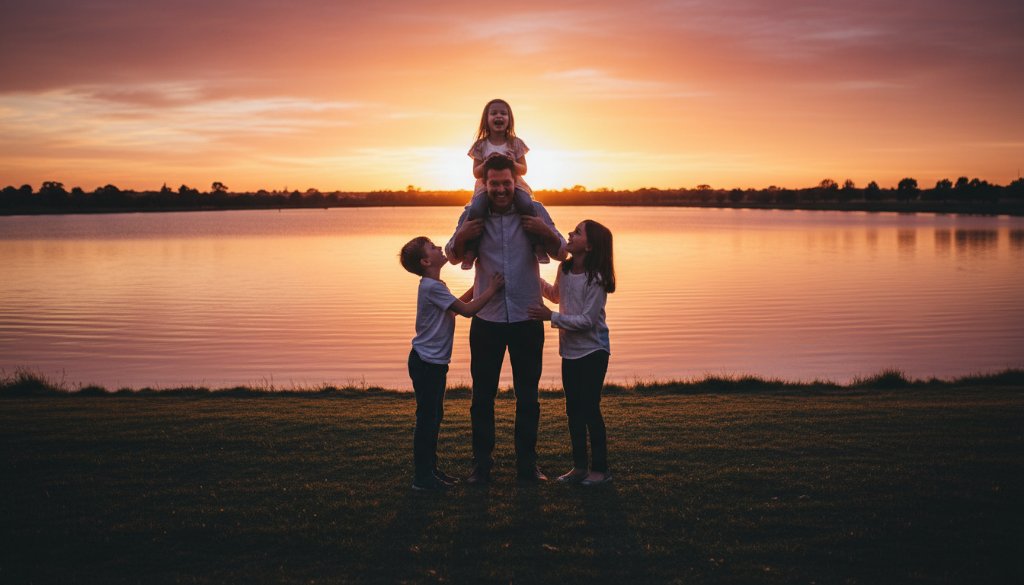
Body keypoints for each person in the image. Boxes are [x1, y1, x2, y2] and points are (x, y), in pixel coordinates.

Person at [446, 154, 566, 484]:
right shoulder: (472, 213)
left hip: (528, 318)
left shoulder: (535, 211)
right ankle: (481, 467)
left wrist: (544, 229)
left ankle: (528, 466)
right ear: (485, 184)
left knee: (528, 398)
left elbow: (562, 251)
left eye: (506, 183)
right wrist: (460, 237)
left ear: (516, 182)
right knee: (481, 398)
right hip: (487, 321)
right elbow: (452, 255)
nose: (501, 190)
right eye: (494, 184)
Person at [400, 236, 505, 491]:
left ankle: (431, 471)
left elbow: (456, 307)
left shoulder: (435, 285)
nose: (439, 248)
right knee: (427, 419)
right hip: (427, 362)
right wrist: (492, 289)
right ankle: (422, 478)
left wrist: (479, 288)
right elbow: (468, 311)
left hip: (431, 361)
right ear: (426, 261)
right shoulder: (432, 287)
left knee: (433, 417)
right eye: (433, 248)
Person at [527, 219, 616, 486]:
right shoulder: (564, 270)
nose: (569, 233)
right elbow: (556, 296)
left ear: (589, 246)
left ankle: (600, 470)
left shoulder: (597, 279)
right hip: (570, 352)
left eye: (577, 232)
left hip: (593, 351)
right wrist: (532, 277)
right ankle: (579, 467)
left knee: (590, 409)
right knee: (573, 410)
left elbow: (587, 320)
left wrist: (550, 317)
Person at [461, 98, 547, 269]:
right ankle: (470, 251)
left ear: (509, 119)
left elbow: (523, 169)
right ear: (486, 120)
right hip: (486, 187)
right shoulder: (481, 145)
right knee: (476, 209)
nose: (498, 116)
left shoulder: (515, 143)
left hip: (514, 185)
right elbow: (476, 172)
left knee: (527, 205)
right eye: (494, 113)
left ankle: (537, 246)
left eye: (503, 113)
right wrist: (486, 163)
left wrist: (511, 162)